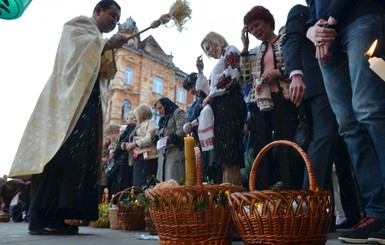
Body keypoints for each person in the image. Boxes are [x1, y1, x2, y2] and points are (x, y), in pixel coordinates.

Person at [7, 0, 128, 235]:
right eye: (111, 15)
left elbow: (105, 72)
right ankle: (39, 218)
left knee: (77, 162)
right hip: (69, 105)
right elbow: (76, 54)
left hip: (88, 106)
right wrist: (104, 44)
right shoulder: (80, 25)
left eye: (117, 19)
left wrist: (109, 48)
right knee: (59, 154)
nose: (113, 22)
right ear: (97, 11)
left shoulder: (97, 37)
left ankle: (59, 215)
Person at [305, 0, 385, 243]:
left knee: (370, 111)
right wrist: (313, 32)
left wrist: (329, 25)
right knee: (348, 126)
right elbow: (313, 7)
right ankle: (377, 212)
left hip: (359, 15)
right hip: (328, 37)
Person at [282, 2, 362, 232]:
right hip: (318, 87)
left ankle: (351, 214)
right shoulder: (301, 12)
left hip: (340, 85)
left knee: (342, 151)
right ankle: (308, 208)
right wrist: (296, 74)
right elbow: (291, 40)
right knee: (324, 141)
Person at [241, 6, 301, 190]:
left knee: (286, 145)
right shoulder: (255, 50)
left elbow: (295, 64)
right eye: (250, 29)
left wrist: (279, 73)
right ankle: (264, 192)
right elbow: (246, 77)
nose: (255, 31)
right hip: (259, 103)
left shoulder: (285, 40)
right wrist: (244, 46)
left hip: (283, 99)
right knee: (261, 147)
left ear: (268, 21)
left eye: (257, 25)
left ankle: (291, 190)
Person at [198, 31, 247, 186]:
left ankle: (233, 192)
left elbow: (232, 75)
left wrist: (210, 96)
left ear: (215, 41)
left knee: (229, 154)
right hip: (222, 107)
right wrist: (200, 71)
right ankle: (229, 191)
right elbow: (205, 90)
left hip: (230, 105)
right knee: (224, 156)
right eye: (206, 50)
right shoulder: (219, 61)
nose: (208, 52)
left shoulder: (230, 50)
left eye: (208, 47)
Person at [182, 70, 217, 183]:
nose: (191, 90)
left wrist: (192, 124)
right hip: (198, 142)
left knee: (208, 169)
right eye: (189, 89)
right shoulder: (194, 103)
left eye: (192, 86)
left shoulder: (207, 98)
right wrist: (186, 125)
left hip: (208, 140)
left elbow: (205, 117)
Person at [123, 104, 159, 188]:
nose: (135, 118)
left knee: (145, 186)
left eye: (136, 115)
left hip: (148, 159)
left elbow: (150, 138)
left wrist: (134, 144)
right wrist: (127, 144)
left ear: (141, 114)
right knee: (137, 186)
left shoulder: (151, 123)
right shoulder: (138, 126)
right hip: (139, 159)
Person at [154, 97, 188, 182]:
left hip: (175, 154)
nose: (159, 111)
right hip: (163, 158)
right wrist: (154, 137)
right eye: (157, 109)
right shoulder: (162, 120)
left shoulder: (178, 113)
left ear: (166, 105)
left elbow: (183, 130)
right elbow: (161, 134)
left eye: (161, 108)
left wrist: (169, 139)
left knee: (174, 185)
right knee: (163, 187)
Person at [98, 134, 112, 202]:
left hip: (104, 169)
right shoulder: (100, 147)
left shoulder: (107, 149)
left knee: (103, 185)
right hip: (100, 169)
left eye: (108, 140)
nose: (107, 141)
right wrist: (101, 158)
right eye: (106, 139)